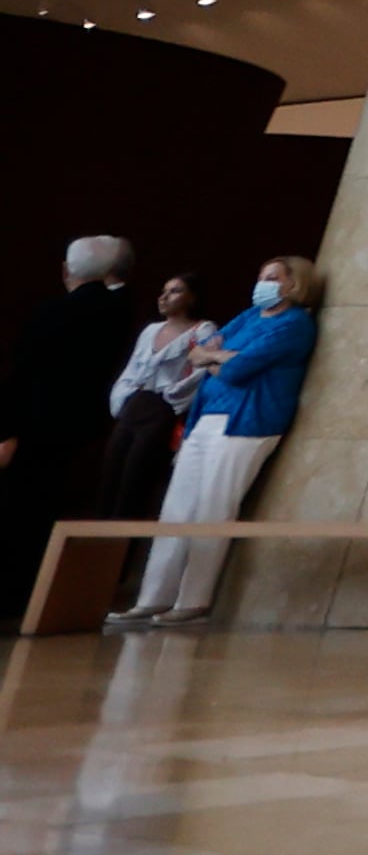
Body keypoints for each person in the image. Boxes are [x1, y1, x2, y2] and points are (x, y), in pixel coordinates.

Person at [122, 255, 321, 624]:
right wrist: (220, 358)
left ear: (293, 284)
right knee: (177, 509)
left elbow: (240, 368)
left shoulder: (295, 324)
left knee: (214, 508)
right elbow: (199, 351)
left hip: (246, 423)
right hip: (206, 419)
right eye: (262, 276)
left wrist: (218, 360)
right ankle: (153, 597)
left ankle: (192, 601)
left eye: (273, 277)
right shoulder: (248, 317)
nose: (263, 284)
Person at [3, 235, 138, 621]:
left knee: (18, 512)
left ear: (65, 270)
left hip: (34, 429)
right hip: (82, 431)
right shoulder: (118, 310)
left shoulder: (51, 313)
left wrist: (7, 430)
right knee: (49, 511)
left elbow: (23, 375)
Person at [102, 273, 207, 523]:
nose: (165, 296)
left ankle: (122, 545)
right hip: (134, 405)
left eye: (175, 291)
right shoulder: (151, 330)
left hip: (162, 410)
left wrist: (170, 399)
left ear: (191, 297)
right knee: (112, 472)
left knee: (136, 478)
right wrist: (124, 398)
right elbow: (133, 368)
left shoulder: (202, 330)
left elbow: (201, 373)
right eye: (164, 290)